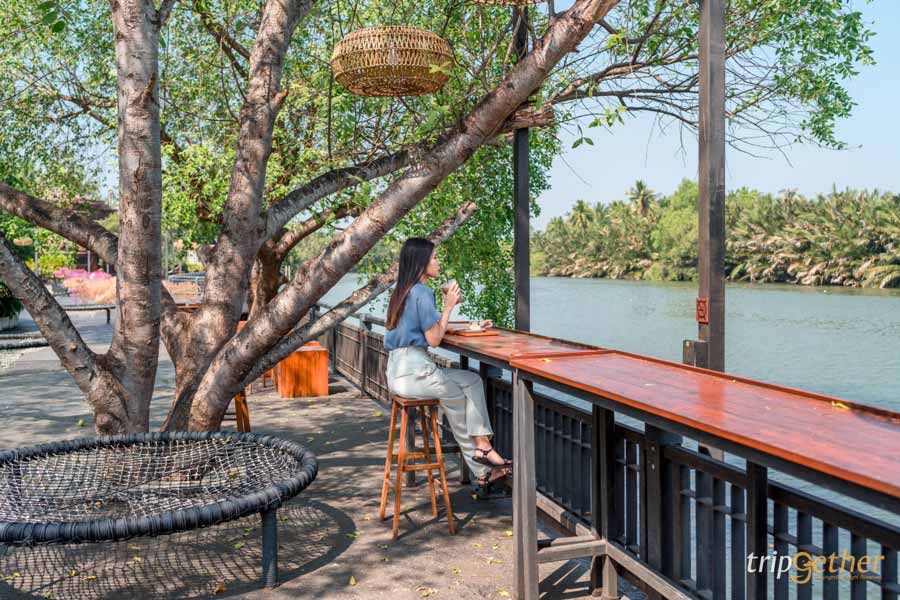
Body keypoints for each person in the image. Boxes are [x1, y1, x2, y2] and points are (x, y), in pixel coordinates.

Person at [384, 237, 512, 491]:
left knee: (469, 383)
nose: (438, 262)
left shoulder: (402, 290)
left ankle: (483, 453)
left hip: (397, 372)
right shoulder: (423, 292)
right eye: (434, 257)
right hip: (416, 371)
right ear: (421, 262)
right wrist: (448, 306)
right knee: (462, 397)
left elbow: (428, 327)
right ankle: (483, 456)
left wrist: (470, 324)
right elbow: (433, 339)